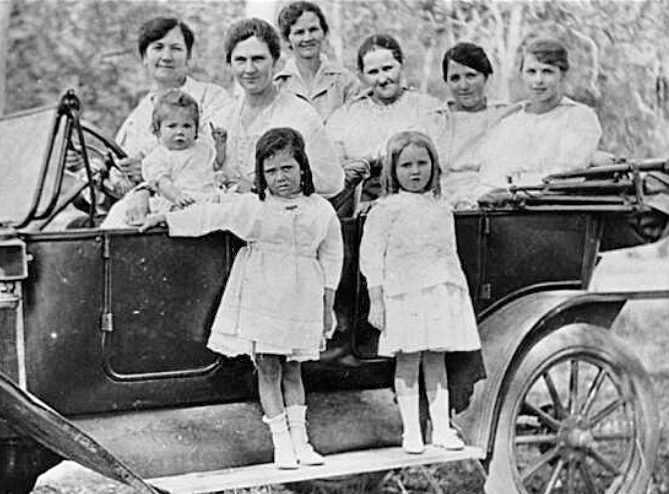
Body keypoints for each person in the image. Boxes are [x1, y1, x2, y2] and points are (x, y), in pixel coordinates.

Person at [136, 128, 343, 468]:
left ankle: (301, 442)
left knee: (294, 369)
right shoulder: (253, 206)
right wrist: (167, 218)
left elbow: (332, 257)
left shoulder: (320, 210)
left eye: (287, 168)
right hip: (263, 294)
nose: (280, 177)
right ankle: (282, 444)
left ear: (302, 167)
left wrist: (327, 305)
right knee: (269, 366)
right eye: (271, 171)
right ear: (261, 174)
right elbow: (210, 215)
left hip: (302, 297)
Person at [359, 131, 481, 454]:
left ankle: (441, 428)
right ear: (393, 171)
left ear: (433, 166)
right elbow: (371, 257)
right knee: (408, 361)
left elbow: (447, 255)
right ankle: (411, 431)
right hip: (404, 295)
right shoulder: (385, 209)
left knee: (436, 360)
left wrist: (453, 295)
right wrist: (377, 301)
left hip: (438, 293)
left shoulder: (441, 208)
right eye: (406, 165)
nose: (415, 172)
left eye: (422, 163)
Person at [219, 17, 344, 198]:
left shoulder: (299, 114)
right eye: (240, 60)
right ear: (229, 65)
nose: (249, 69)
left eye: (258, 59)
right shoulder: (224, 116)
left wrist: (259, 187)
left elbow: (331, 181)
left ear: (275, 61)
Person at [115, 17, 233, 187]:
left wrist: (150, 171)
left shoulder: (212, 98)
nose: (166, 57)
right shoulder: (138, 115)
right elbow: (120, 164)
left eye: (176, 48)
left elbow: (211, 159)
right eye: (158, 47)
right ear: (145, 57)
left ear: (188, 56)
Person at [478, 38, 603, 193]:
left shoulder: (579, 118)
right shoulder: (509, 122)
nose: (538, 80)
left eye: (547, 72)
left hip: (553, 203)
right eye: (531, 72)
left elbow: (566, 176)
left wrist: (515, 187)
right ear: (521, 75)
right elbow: (489, 175)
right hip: (505, 203)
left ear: (562, 75)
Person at [326, 33, 444, 197]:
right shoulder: (345, 116)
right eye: (373, 72)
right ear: (361, 74)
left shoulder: (427, 108)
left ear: (402, 65)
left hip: (416, 198)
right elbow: (333, 167)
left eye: (388, 69)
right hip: (362, 202)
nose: (382, 79)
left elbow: (438, 162)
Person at [102, 90, 228, 228]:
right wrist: (177, 196)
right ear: (158, 131)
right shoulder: (159, 157)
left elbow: (216, 164)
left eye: (187, 126)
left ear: (196, 129)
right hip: (177, 199)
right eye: (172, 126)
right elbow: (163, 183)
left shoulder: (202, 149)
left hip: (204, 197)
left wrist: (220, 145)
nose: (180, 131)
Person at [432, 42, 512, 207]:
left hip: (493, 204)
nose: (463, 86)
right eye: (455, 78)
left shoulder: (505, 115)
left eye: (471, 76)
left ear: (486, 77)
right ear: (446, 81)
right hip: (445, 205)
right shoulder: (435, 121)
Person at [273, 2, 362, 121]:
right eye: (299, 32)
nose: (307, 38)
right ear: (287, 39)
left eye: (313, 29)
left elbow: (356, 126)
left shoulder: (346, 82)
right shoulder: (277, 86)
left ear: (324, 33)